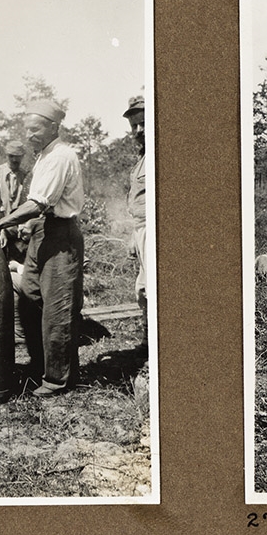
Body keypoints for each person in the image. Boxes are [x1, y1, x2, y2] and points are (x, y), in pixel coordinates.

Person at [0, 99, 84, 397]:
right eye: (28, 129)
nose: (30, 135)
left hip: (61, 236)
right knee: (30, 298)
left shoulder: (62, 156)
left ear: (53, 127)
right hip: (41, 232)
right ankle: (40, 365)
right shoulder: (43, 157)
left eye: (36, 129)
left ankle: (58, 379)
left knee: (57, 308)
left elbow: (38, 203)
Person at [123, 95, 148, 350]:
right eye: (134, 127)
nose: (139, 131)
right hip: (141, 229)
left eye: (143, 124)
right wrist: (134, 234)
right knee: (142, 289)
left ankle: (156, 345)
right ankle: (148, 340)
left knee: (153, 289)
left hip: (155, 231)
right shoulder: (141, 159)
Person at [0, 141, 31, 262]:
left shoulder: (26, 176)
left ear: (22, 156)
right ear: (6, 155)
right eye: (11, 156)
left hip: (19, 231)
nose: (14, 160)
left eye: (18, 156)